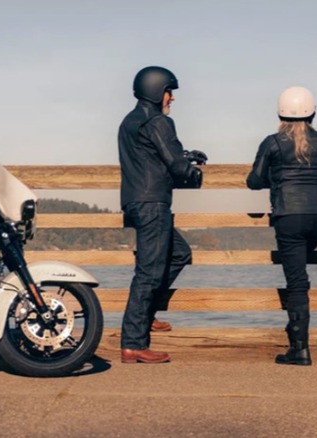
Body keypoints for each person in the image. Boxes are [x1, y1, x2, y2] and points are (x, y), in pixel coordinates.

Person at [118, 66, 206, 364]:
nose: (172, 98)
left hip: (136, 200)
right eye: (169, 91)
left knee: (179, 253)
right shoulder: (158, 122)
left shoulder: (130, 121)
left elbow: (151, 160)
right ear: (156, 91)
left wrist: (183, 158)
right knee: (149, 272)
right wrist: (195, 172)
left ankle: (145, 315)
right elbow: (177, 167)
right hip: (153, 203)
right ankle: (133, 343)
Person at [247, 86, 317, 366]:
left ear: (279, 113)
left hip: (290, 215)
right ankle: (297, 329)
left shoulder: (273, 142)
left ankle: (299, 348)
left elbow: (255, 180)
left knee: (297, 282)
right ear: (313, 112)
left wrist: (276, 177)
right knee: (300, 274)